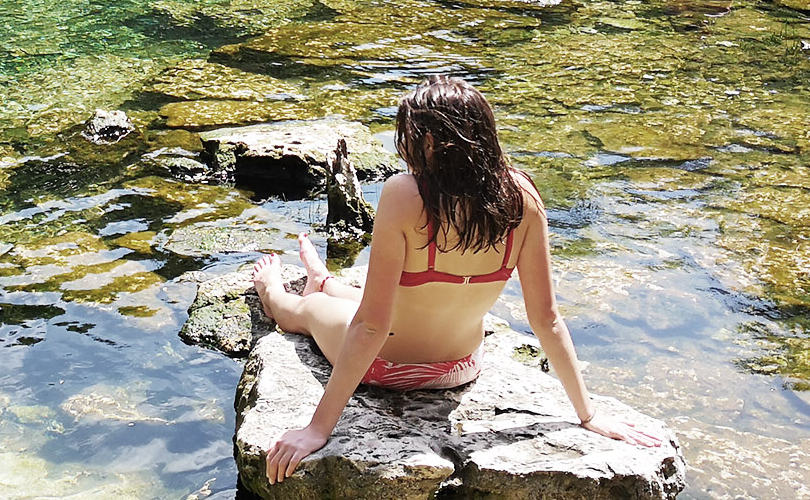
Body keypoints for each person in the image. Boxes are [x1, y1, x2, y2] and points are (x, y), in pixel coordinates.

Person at [252, 75, 662, 485]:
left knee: (303, 312)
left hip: (385, 366)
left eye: (409, 136)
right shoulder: (524, 197)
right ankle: (326, 281)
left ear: (431, 141)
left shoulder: (403, 195)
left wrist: (317, 429)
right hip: (461, 367)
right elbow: (548, 320)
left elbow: (371, 325)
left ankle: (286, 290)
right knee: (373, 296)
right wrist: (587, 415)